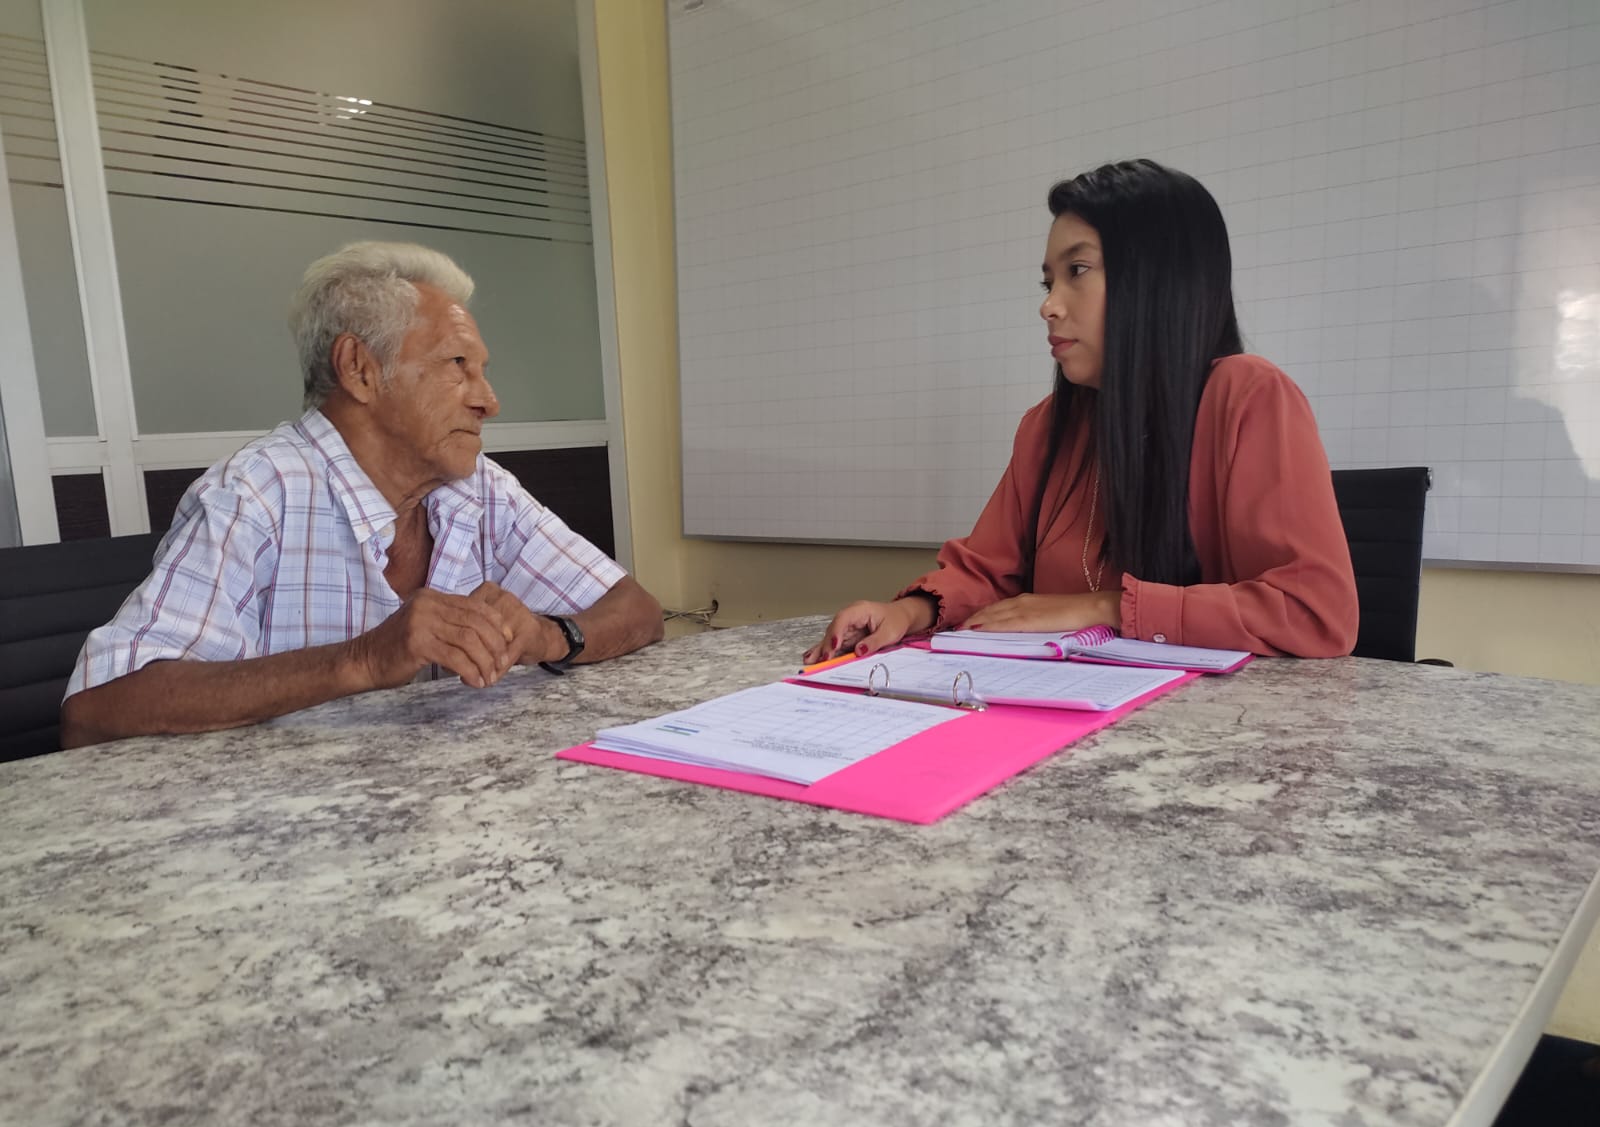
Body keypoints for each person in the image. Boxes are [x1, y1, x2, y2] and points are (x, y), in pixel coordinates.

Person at [62, 241, 663, 747]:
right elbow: (95, 712)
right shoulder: (255, 494)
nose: (489, 401)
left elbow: (638, 611)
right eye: (458, 363)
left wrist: (547, 635)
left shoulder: (479, 488)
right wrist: (364, 660)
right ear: (359, 368)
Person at [805, 159, 1358, 665]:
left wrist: (1106, 607)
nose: (1048, 305)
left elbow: (1315, 611)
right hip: (1058, 702)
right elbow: (988, 570)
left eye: (1078, 270)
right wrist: (910, 612)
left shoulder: (1248, 396)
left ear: (1158, 278)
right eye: (1049, 282)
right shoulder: (1047, 426)